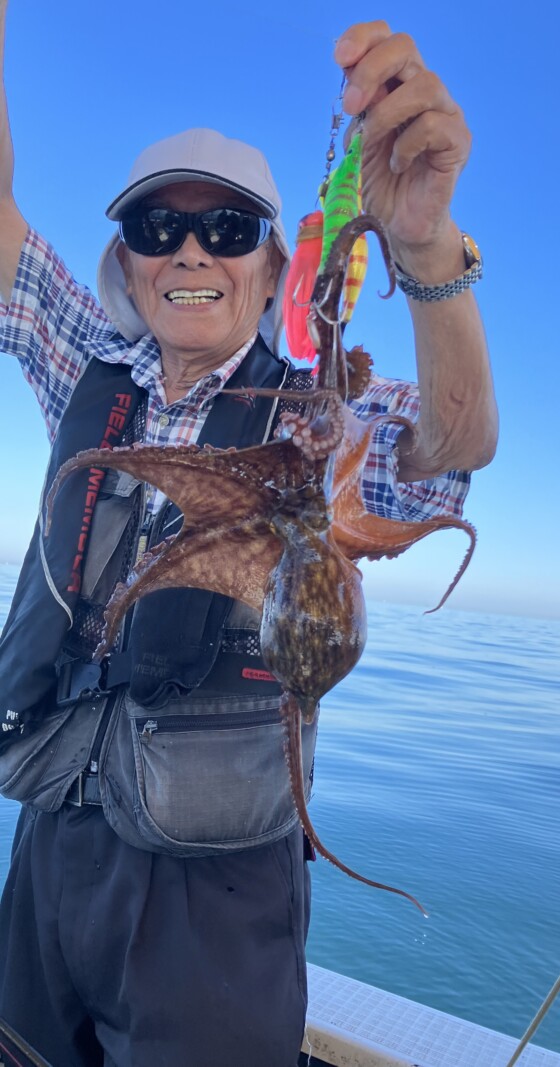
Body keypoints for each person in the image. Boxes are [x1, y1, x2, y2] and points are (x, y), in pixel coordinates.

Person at [0, 5, 498, 1065]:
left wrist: (424, 252)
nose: (191, 252)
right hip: (52, 844)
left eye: (228, 230)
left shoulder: (319, 421)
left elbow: (455, 445)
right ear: (125, 262)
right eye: (156, 228)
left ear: (274, 269)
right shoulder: (86, 369)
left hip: (217, 890)